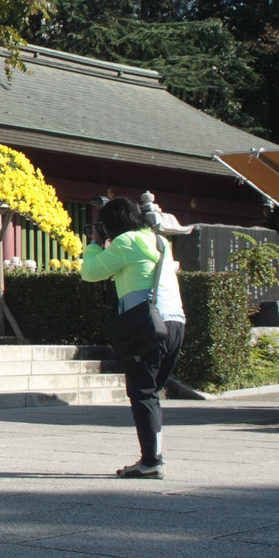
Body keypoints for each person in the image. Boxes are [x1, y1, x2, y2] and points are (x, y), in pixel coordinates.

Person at [81, 196, 186, 479]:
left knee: (141, 394)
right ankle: (153, 457)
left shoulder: (126, 243)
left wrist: (93, 243)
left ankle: (151, 462)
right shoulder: (157, 241)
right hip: (175, 323)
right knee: (150, 394)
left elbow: (89, 272)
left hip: (148, 327)